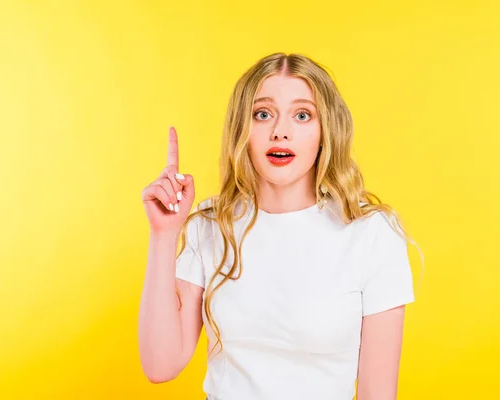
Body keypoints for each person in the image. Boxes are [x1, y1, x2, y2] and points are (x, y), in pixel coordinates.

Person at [138, 52, 421, 400]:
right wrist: (164, 235)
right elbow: (159, 365)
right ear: (243, 128)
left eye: (302, 115)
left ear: (324, 131)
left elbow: (377, 394)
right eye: (263, 114)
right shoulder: (212, 225)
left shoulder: (372, 234)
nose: (280, 132)